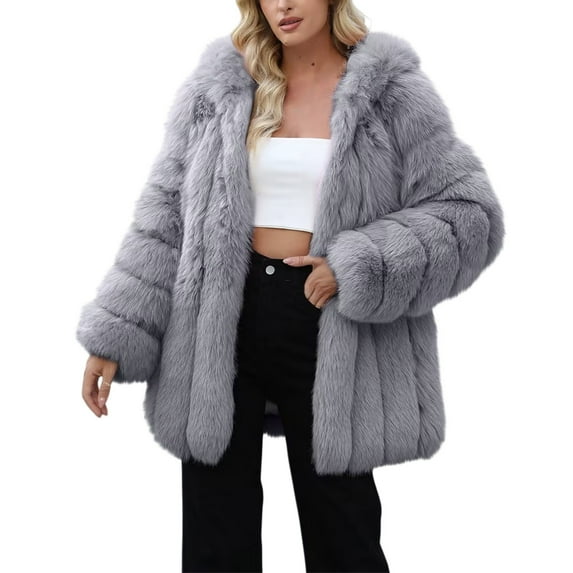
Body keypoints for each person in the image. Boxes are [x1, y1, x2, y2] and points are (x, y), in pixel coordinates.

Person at [77, 1, 506, 571]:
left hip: (330, 324)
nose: (282, 3)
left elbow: (469, 214)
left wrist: (359, 265)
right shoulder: (220, 86)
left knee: (343, 536)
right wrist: (116, 334)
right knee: (215, 540)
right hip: (218, 327)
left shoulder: (390, 91)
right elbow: (164, 217)